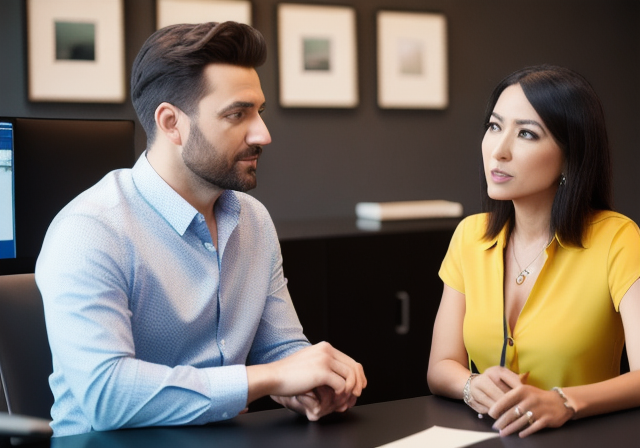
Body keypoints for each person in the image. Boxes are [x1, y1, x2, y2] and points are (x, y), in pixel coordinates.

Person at [36, 21, 366, 437]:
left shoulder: (254, 221)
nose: (263, 133)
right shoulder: (89, 231)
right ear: (171, 123)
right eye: (237, 114)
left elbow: (282, 350)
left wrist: (313, 380)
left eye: (258, 111)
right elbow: (106, 396)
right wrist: (269, 379)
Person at [427, 65, 640, 438]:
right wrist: (471, 386)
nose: (499, 150)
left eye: (526, 133)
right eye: (495, 127)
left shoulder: (618, 238)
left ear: (570, 157)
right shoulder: (469, 236)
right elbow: (442, 365)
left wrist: (565, 402)